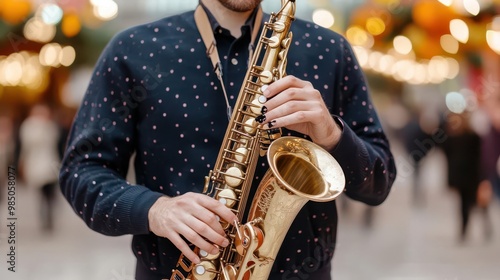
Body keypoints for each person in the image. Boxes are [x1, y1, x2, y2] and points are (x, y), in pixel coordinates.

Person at [59, 1, 397, 279]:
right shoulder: (133, 49)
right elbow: (80, 171)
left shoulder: (328, 50)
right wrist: (155, 209)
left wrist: (331, 135)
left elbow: (378, 183)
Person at [19, 104, 61, 232]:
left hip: (50, 162)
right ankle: (44, 217)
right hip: (36, 163)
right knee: (41, 193)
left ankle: (49, 216)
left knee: (50, 192)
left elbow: (55, 142)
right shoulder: (29, 126)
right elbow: (27, 145)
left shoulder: (50, 126)